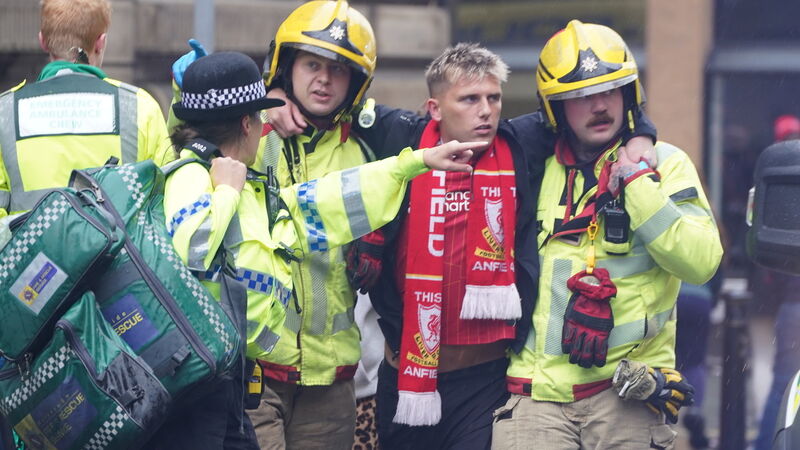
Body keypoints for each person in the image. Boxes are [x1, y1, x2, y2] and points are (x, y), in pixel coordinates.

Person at [268, 41, 657, 449]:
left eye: (494, 98)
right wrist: (276, 95)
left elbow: (591, 115)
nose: (486, 110)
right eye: (470, 99)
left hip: (483, 383)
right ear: (435, 108)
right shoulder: (400, 133)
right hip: (405, 374)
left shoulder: (519, 142)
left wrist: (642, 134)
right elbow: (334, 104)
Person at [159, 51, 477, 449]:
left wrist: (418, 162)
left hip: (257, 378)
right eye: (259, 117)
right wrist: (225, 192)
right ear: (246, 123)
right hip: (216, 387)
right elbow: (193, 248)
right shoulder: (192, 175)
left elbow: (327, 198)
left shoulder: (255, 192)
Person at [492, 20, 723, 450]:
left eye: (610, 91)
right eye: (581, 96)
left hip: (627, 394)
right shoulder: (534, 166)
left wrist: (637, 184)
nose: (599, 105)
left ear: (629, 95)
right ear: (556, 108)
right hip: (535, 397)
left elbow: (702, 262)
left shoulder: (666, 164)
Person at [0, 0, 171, 219]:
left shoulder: (5, 112)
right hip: (117, 242)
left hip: (29, 242)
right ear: (101, 42)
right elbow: (164, 199)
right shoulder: (140, 107)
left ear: (42, 41)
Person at [754, 114, 800, 450]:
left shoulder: (774, 182)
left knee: (785, 387)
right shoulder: (779, 182)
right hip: (794, 301)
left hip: (791, 302)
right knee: (787, 387)